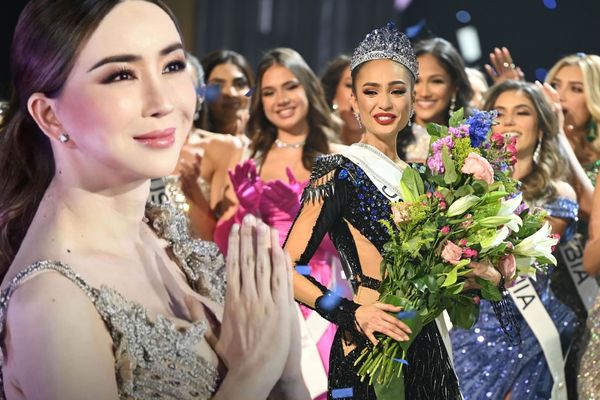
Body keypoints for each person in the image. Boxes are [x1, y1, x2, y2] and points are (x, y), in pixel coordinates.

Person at [0, 1, 309, 399]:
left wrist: (287, 377)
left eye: (172, 65)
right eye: (121, 75)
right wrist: (253, 372)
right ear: (50, 116)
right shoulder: (50, 303)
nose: (162, 101)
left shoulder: (164, 239)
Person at [283, 23, 502, 399]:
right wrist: (350, 313)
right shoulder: (339, 171)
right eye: (371, 92)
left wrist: (478, 276)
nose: (384, 103)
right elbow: (287, 268)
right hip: (367, 345)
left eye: (397, 91)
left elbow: (443, 271)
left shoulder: (426, 178)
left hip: (427, 343)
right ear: (354, 101)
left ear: (413, 101)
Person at [210, 47, 342, 400]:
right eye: (269, 92)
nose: (281, 99)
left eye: (290, 86)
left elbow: (354, 244)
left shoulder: (338, 154)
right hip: (261, 292)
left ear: (308, 88)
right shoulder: (249, 155)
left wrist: (306, 222)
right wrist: (244, 212)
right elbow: (223, 243)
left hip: (319, 293)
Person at [450, 80, 578, 400]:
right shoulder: (462, 186)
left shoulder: (557, 193)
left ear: (542, 127)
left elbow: (526, 253)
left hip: (530, 329)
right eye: (499, 113)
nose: (508, 121)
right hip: (473, 330)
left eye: (522, 112)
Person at [400, 37, 473, 163]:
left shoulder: (472, 140)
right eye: (416, 81)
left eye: (436, 81)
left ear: (455, 87)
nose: (424, 93)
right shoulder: (389, 137)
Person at [198, 49, 254, 138]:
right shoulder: (189, 142)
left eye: (240, 84)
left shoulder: (266, 140)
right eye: (217, 86)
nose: (231, 93)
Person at [321, 54, 364, 145]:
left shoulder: (391, 149)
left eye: (368, 89)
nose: (358, 95)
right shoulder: (316, 142)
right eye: (350, 85)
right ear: (333, 92)